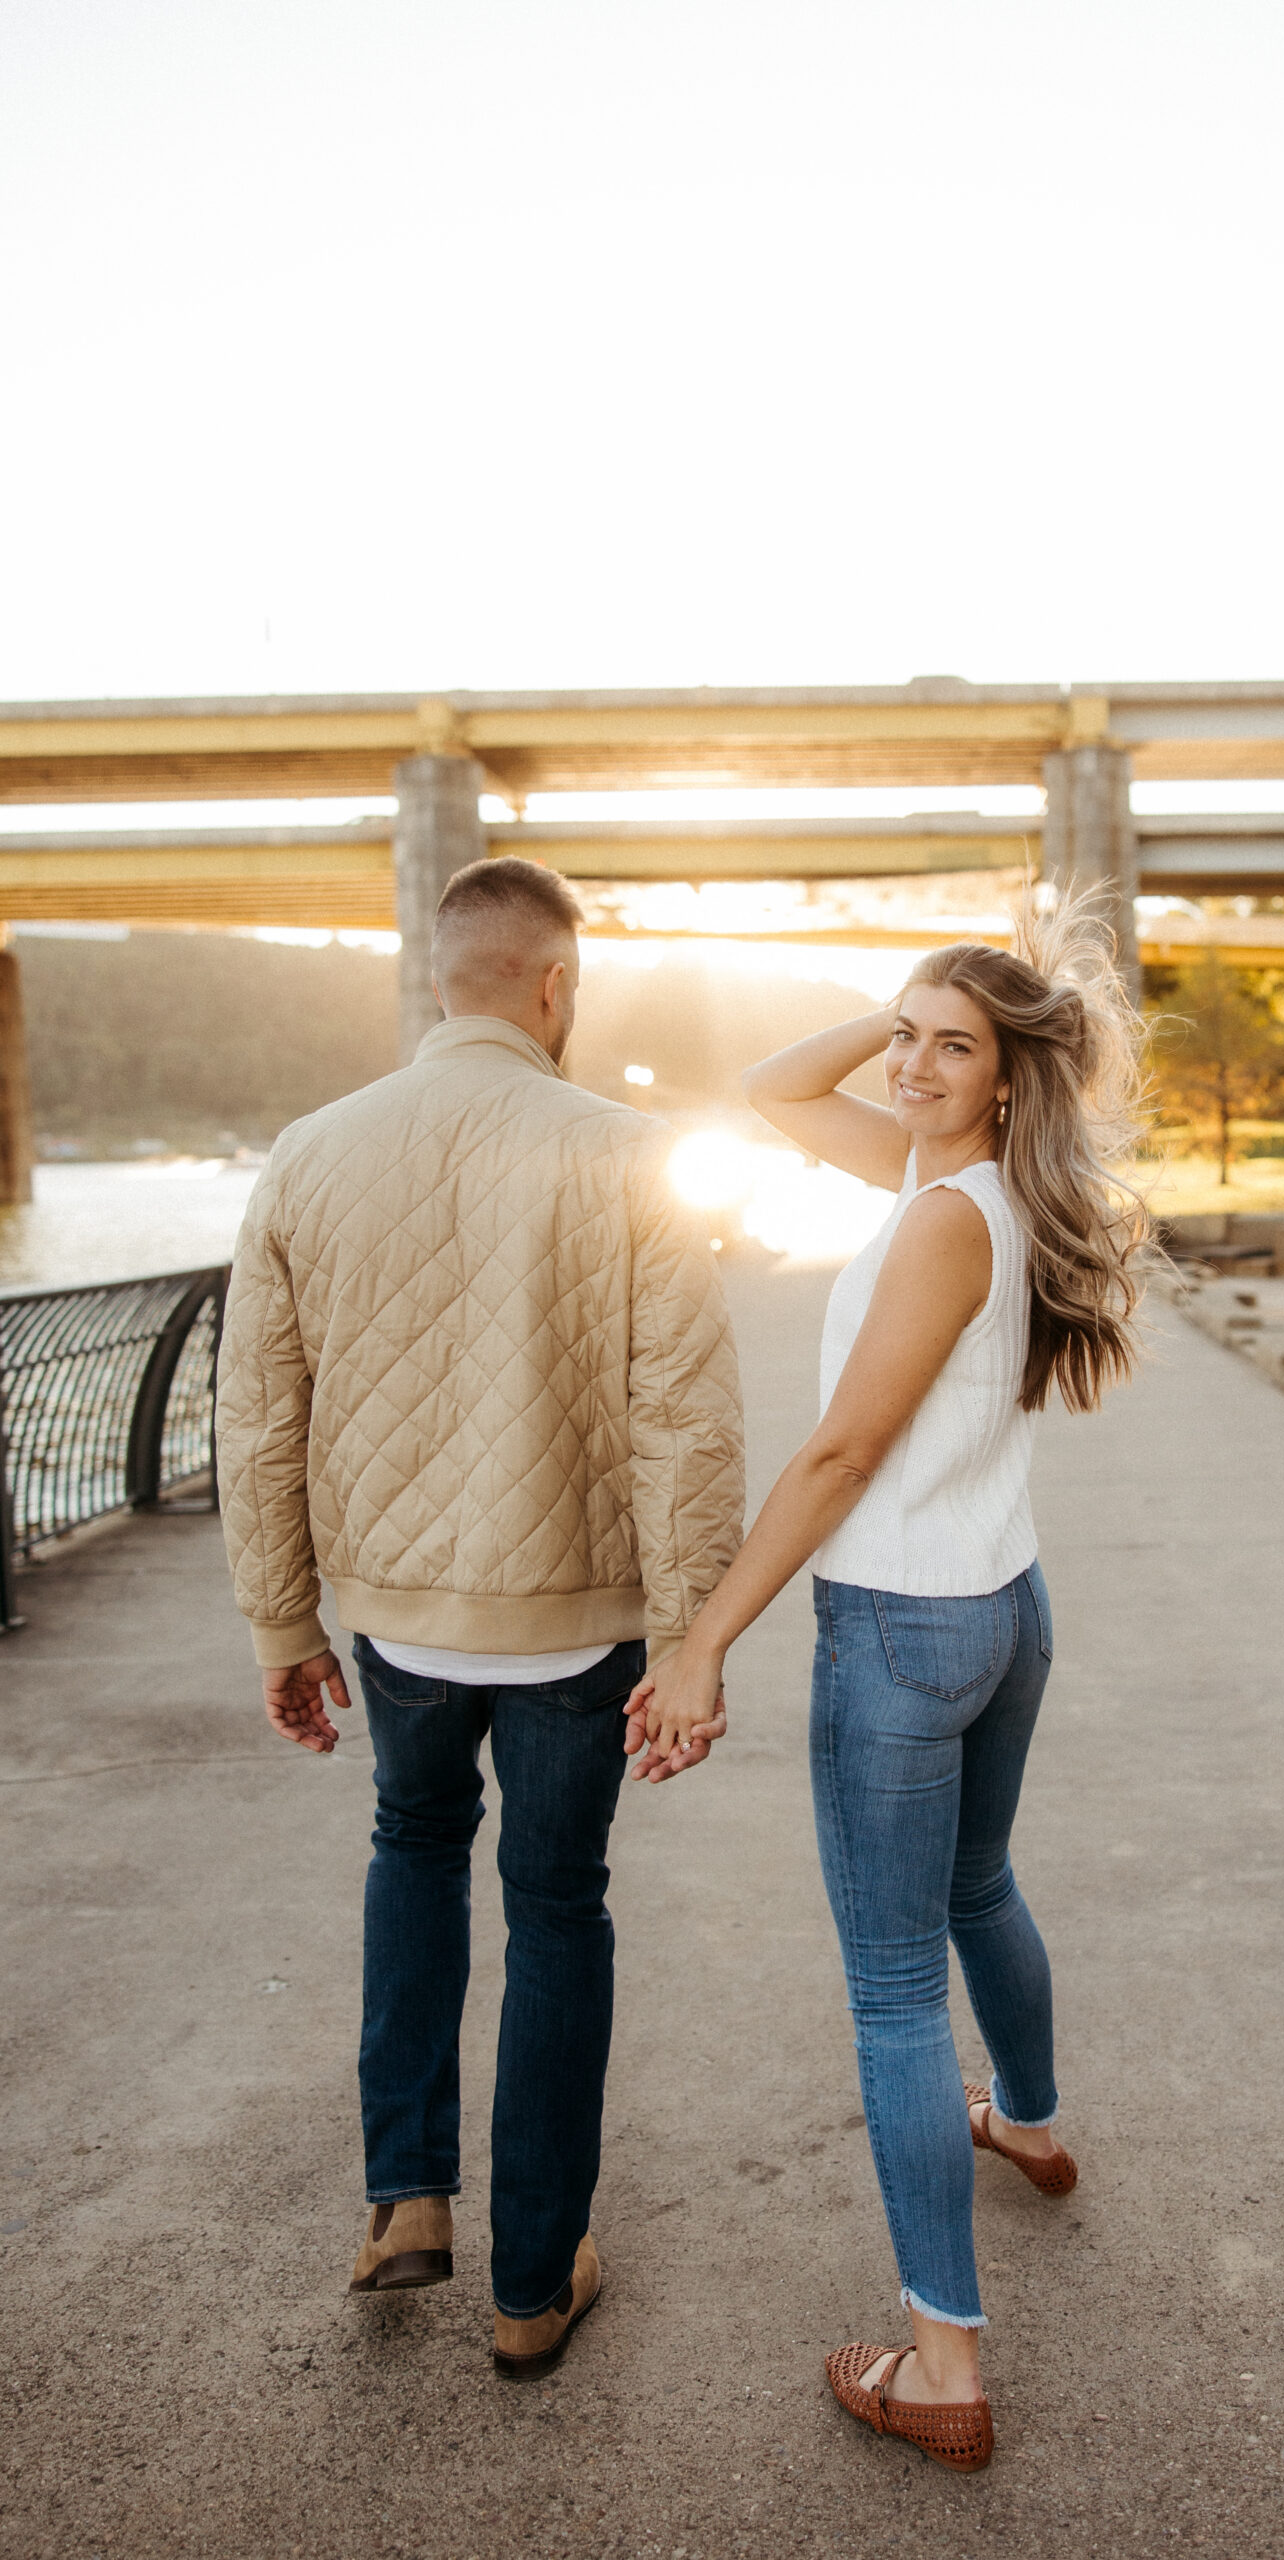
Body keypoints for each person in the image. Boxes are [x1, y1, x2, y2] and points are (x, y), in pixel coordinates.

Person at [624, 899, 1148, 2472]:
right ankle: (1033, 2125)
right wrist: (905, 1008)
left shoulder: (941, 1217)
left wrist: (703, 1636)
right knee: (979, 1884)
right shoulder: (971, 1183)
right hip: (1004, 1606)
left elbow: (843, 1453)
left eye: (951, 1048)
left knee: (897, 1993)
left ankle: (941, 2363)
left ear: (1009, 1080)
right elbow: (772, 1095)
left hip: (904, 1631)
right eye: (906, 1039)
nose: (913, 1065)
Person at [215, 855, 744, 2380]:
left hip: (393, 1624)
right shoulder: (629, 1150)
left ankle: (404, 2204)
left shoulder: (309, 1154)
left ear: (439, 973)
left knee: (412, 1846)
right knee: (558, 1905)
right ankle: (529, 2282)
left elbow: (258, 1417)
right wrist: (693, 1633)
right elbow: (685, 1422)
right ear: (555, 986)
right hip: (578, 1622)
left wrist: (279, 1626)